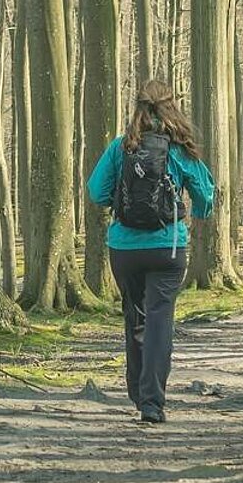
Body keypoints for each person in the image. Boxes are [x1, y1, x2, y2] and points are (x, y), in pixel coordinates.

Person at [84, 81, 216, 425]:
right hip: (167, 247)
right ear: (171, 109)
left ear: (138, 110)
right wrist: (199, 213)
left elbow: (96, 191)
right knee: (161, 321)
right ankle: (152, 402)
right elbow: (206, 192)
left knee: (136, 319)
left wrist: (120, 200)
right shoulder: (180, 150)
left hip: (124, 248)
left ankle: (137, 393)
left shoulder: (120, 147)